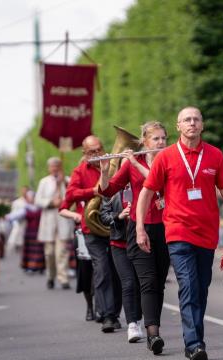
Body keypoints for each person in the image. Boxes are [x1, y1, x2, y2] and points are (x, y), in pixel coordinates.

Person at [137, 107, 223, 360]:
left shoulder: (214, 155)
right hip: (178, 231)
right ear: (178, 126)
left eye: (196, 119)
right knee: (189, 286)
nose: (192, 123)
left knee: (201, 288)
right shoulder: (166, 157)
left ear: (202, 125)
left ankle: (193, 341)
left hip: (207, 233)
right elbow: (146, 193)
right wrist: (140, 227)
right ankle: (194, 344)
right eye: (187, 120)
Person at [98, 121, 170, 355]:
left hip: (166, 226)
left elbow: (156, 182)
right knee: (147, 281)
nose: (160, 143)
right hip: (139, 227)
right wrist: (104, 170)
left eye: (163, 138)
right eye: (155, 139)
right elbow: (108, 191)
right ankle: (153, 334)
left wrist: (132, 164)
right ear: (144, 142)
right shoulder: (132, 164)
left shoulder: (169, 161)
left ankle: (152, 324)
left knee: (158, 281)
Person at [63, 135, 122, 333]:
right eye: (91, 152)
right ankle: (107, 315)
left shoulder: (116, 165)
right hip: (92, 230)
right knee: (102, 270)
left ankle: (115, 312)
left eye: (99, 150)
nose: (97, 154)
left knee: (118, 272)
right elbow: (70, 195)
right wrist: (93, 191)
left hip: (115, 225)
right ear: (84, 154)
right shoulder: (80, 171)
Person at [99, 190, 143, 343]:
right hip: (119, 244)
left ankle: (138, 319)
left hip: (140, 243)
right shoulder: (112, 192)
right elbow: (104, 216)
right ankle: (132, 325)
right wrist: (118, 216)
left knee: (140, 284)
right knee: (128, 283)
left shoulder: (142, 186)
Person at [35, 157, 75, 290]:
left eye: (57, 166)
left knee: (62, 252)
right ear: (49, 168)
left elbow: (72, 197)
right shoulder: (44, 182)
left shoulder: (67, 180)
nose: (55, 168)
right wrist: (51, 202)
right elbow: (38, 200)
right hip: (49, 221)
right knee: (50, 253)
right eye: (53, 166)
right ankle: (50, 276)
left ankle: (63, 278)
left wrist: (62, 183)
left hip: (63, 221)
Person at [6, 186, 30, 253]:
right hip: (18, 223)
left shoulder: (31, 202)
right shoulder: (17, 202)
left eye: (26, 191)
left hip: (27, 224)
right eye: (23, 190)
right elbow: (13, 214)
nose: (24, 192)